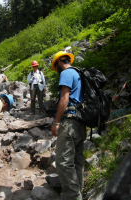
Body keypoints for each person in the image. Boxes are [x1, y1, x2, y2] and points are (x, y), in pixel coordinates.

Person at [51, 51, 86, 200]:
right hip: (81, 123)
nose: (56, 69)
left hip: (69, 122)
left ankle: (73, 197)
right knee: (77, 161)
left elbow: (64, 100)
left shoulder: (66, 73)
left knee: (63, 162)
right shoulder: (79, 74)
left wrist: (56, 122)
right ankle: (79, 193)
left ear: (59, 62)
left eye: (55, 66)